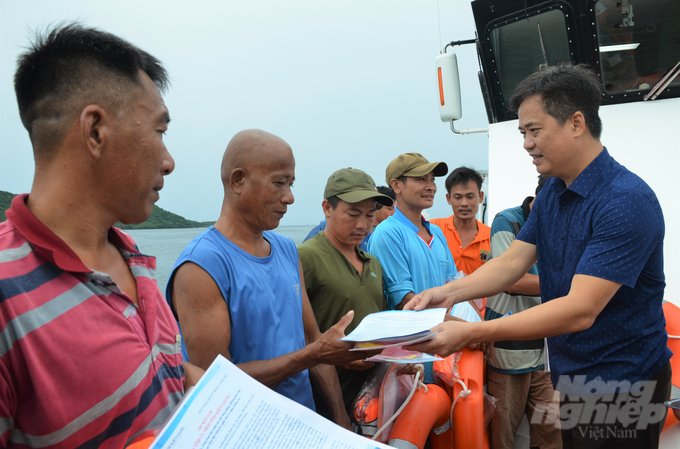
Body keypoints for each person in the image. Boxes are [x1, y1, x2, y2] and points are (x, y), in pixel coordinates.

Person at [405, 64, 671, 448]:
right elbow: (512, 263)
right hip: (573, 374)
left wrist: (474, 331)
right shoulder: (553, 193)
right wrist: (448, 293)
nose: (526, 143)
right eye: (522, 133)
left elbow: (581, 309)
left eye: (534, 130)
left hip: (623, 381)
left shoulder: (625, 201)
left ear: (576, 123)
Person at [0, 23, 203, 447]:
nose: (168, 162)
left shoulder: (133, 259)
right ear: (95, 131)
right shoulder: (7, 297)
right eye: (159, 130)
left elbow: (164, 375)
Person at [166, 130, 374, 428]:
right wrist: (309, 356)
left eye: (290, 183)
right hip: (246, 430)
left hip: (303, 422)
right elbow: (214, 380)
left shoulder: (287, 250)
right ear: (238, 180)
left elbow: (311, 337)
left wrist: (339, 417)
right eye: (279, 182)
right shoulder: (202, 265)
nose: (289, 197)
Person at [298, 168, 392, 421]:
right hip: (324, 403)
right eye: (352, 214)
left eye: (370, 215)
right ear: (327, 208)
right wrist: (339, 356)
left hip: (372, 398)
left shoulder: (372, 263)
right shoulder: (305, 257)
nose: (363, 225)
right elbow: (295, 335)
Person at [485, 174, 561, 449]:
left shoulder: (564, 222)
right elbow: (512, 281)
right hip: (510, 352)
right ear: (541, 199)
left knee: (553, 435)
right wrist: (570, 286)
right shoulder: (507, 221)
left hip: (549, 352)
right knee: (503, 436)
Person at [367, 152, 455, 384]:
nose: (430, 187)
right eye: (421, 179)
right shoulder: (388, 232)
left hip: (445, 350)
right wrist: (466, 330)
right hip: (411, 359)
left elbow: (454, 286)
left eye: (432, 180)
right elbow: (406, 301)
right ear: (396, 185)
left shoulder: (436, 232)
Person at [430, 167, 490, 314]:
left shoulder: (491, 237)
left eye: (470, 196)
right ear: (448, 198)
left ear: (480, 197)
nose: (464, 203)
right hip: (439, 315)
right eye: (458, 197)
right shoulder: (433, 230)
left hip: (478, 320)